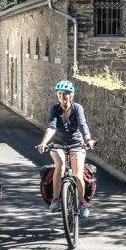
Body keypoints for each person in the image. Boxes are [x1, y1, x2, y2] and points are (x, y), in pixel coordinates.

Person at [35, 79, 95, 218]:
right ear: (57, 95)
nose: (63, 96)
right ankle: (55, 199)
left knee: (78, 174)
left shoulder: (77, 108)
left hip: (77, 144)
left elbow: (82, 125)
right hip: (58, 145)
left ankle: (81, 202)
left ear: (72, 95)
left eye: (66, 93)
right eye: (60, 93)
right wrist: (44, 142)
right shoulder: (54, 109)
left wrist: (88, 140)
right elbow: (51, 127)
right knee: (60, 166)